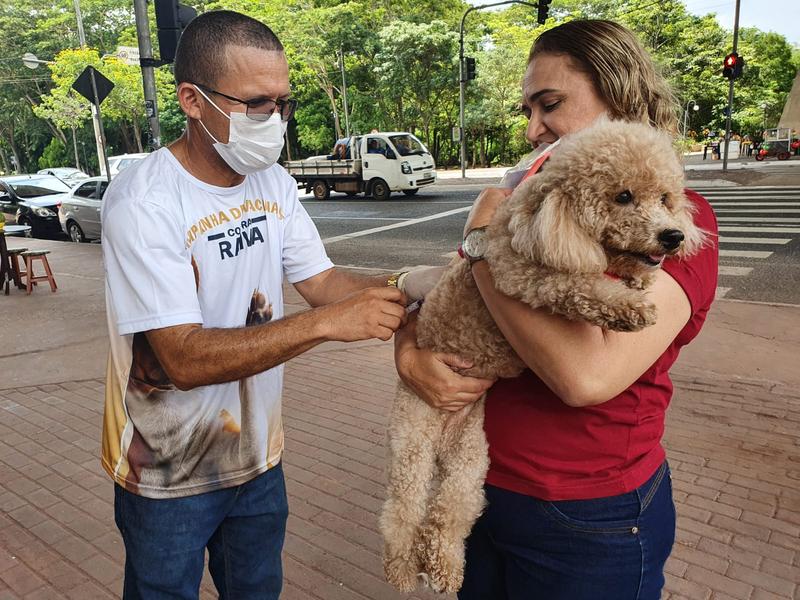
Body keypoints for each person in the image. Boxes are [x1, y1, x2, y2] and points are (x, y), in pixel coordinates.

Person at [100, 10, 437, 599]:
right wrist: (327, 325)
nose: (274, 120)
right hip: (166, 470)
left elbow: (323, 279)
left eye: (282, 103)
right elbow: (182, 359)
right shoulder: (144, 200)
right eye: (256, 103)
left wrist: (411, 281)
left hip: (257, 460)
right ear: (192, 101)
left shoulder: (272, 183)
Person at [394, 19, 719, 600]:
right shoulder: (537, 206)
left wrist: (482, 245)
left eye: (550, 105)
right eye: (528, 110)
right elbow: (447, 293)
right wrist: (410, 356)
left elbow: (585, 376)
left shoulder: (674, 222)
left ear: (619, 96)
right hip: (487, 488)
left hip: (590, 516)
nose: (532, 129)